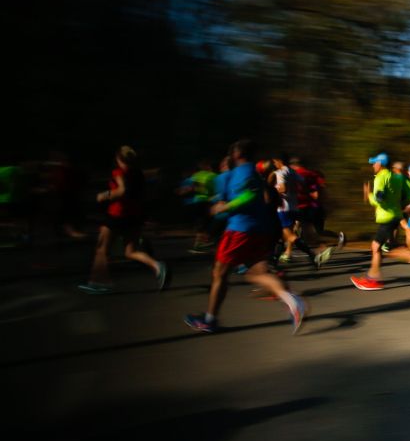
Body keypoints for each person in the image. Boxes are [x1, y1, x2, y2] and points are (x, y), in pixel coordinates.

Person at [184, 140, 306, 333]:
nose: (226, 160)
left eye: (230, 155)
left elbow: (249, 195)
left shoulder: (241, 172)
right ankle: (292, 301)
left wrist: (225, 207)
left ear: (238, 154)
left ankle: (210, 320)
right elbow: (263, 196)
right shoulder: (254, 172)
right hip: (260, 230)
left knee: (219, 273)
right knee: (256, 273)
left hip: (240, 230)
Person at [80, 146, 168, 294]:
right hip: (134, 216)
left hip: (117, 214)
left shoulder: (118, 171)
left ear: (118, 158)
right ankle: (158, 266)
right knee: (131, 251)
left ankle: (100, 282)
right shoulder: (138, 173)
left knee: (101, 249)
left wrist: (104, 195)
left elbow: (122, 190)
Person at [351, 153, 410, 291]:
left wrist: (369, 195)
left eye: (374, 163)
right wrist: (401, 204)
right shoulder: (398, 177)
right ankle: (373, 279)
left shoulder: (380, 177)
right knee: (380, 247)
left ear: (380, 164)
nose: (373, 165)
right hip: (396, 215)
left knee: (387, 249)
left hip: (387, 217)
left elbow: (379, 200)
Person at [176, 159, 217, 253]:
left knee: (201, 224)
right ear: (208, 166)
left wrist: (183, 191)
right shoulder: (212, 175)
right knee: (208, 223)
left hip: (197, 201)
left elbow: (191, 187)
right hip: (207, 202)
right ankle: (200, 244)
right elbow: (215, 190)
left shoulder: (196, 175)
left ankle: (199, 244)